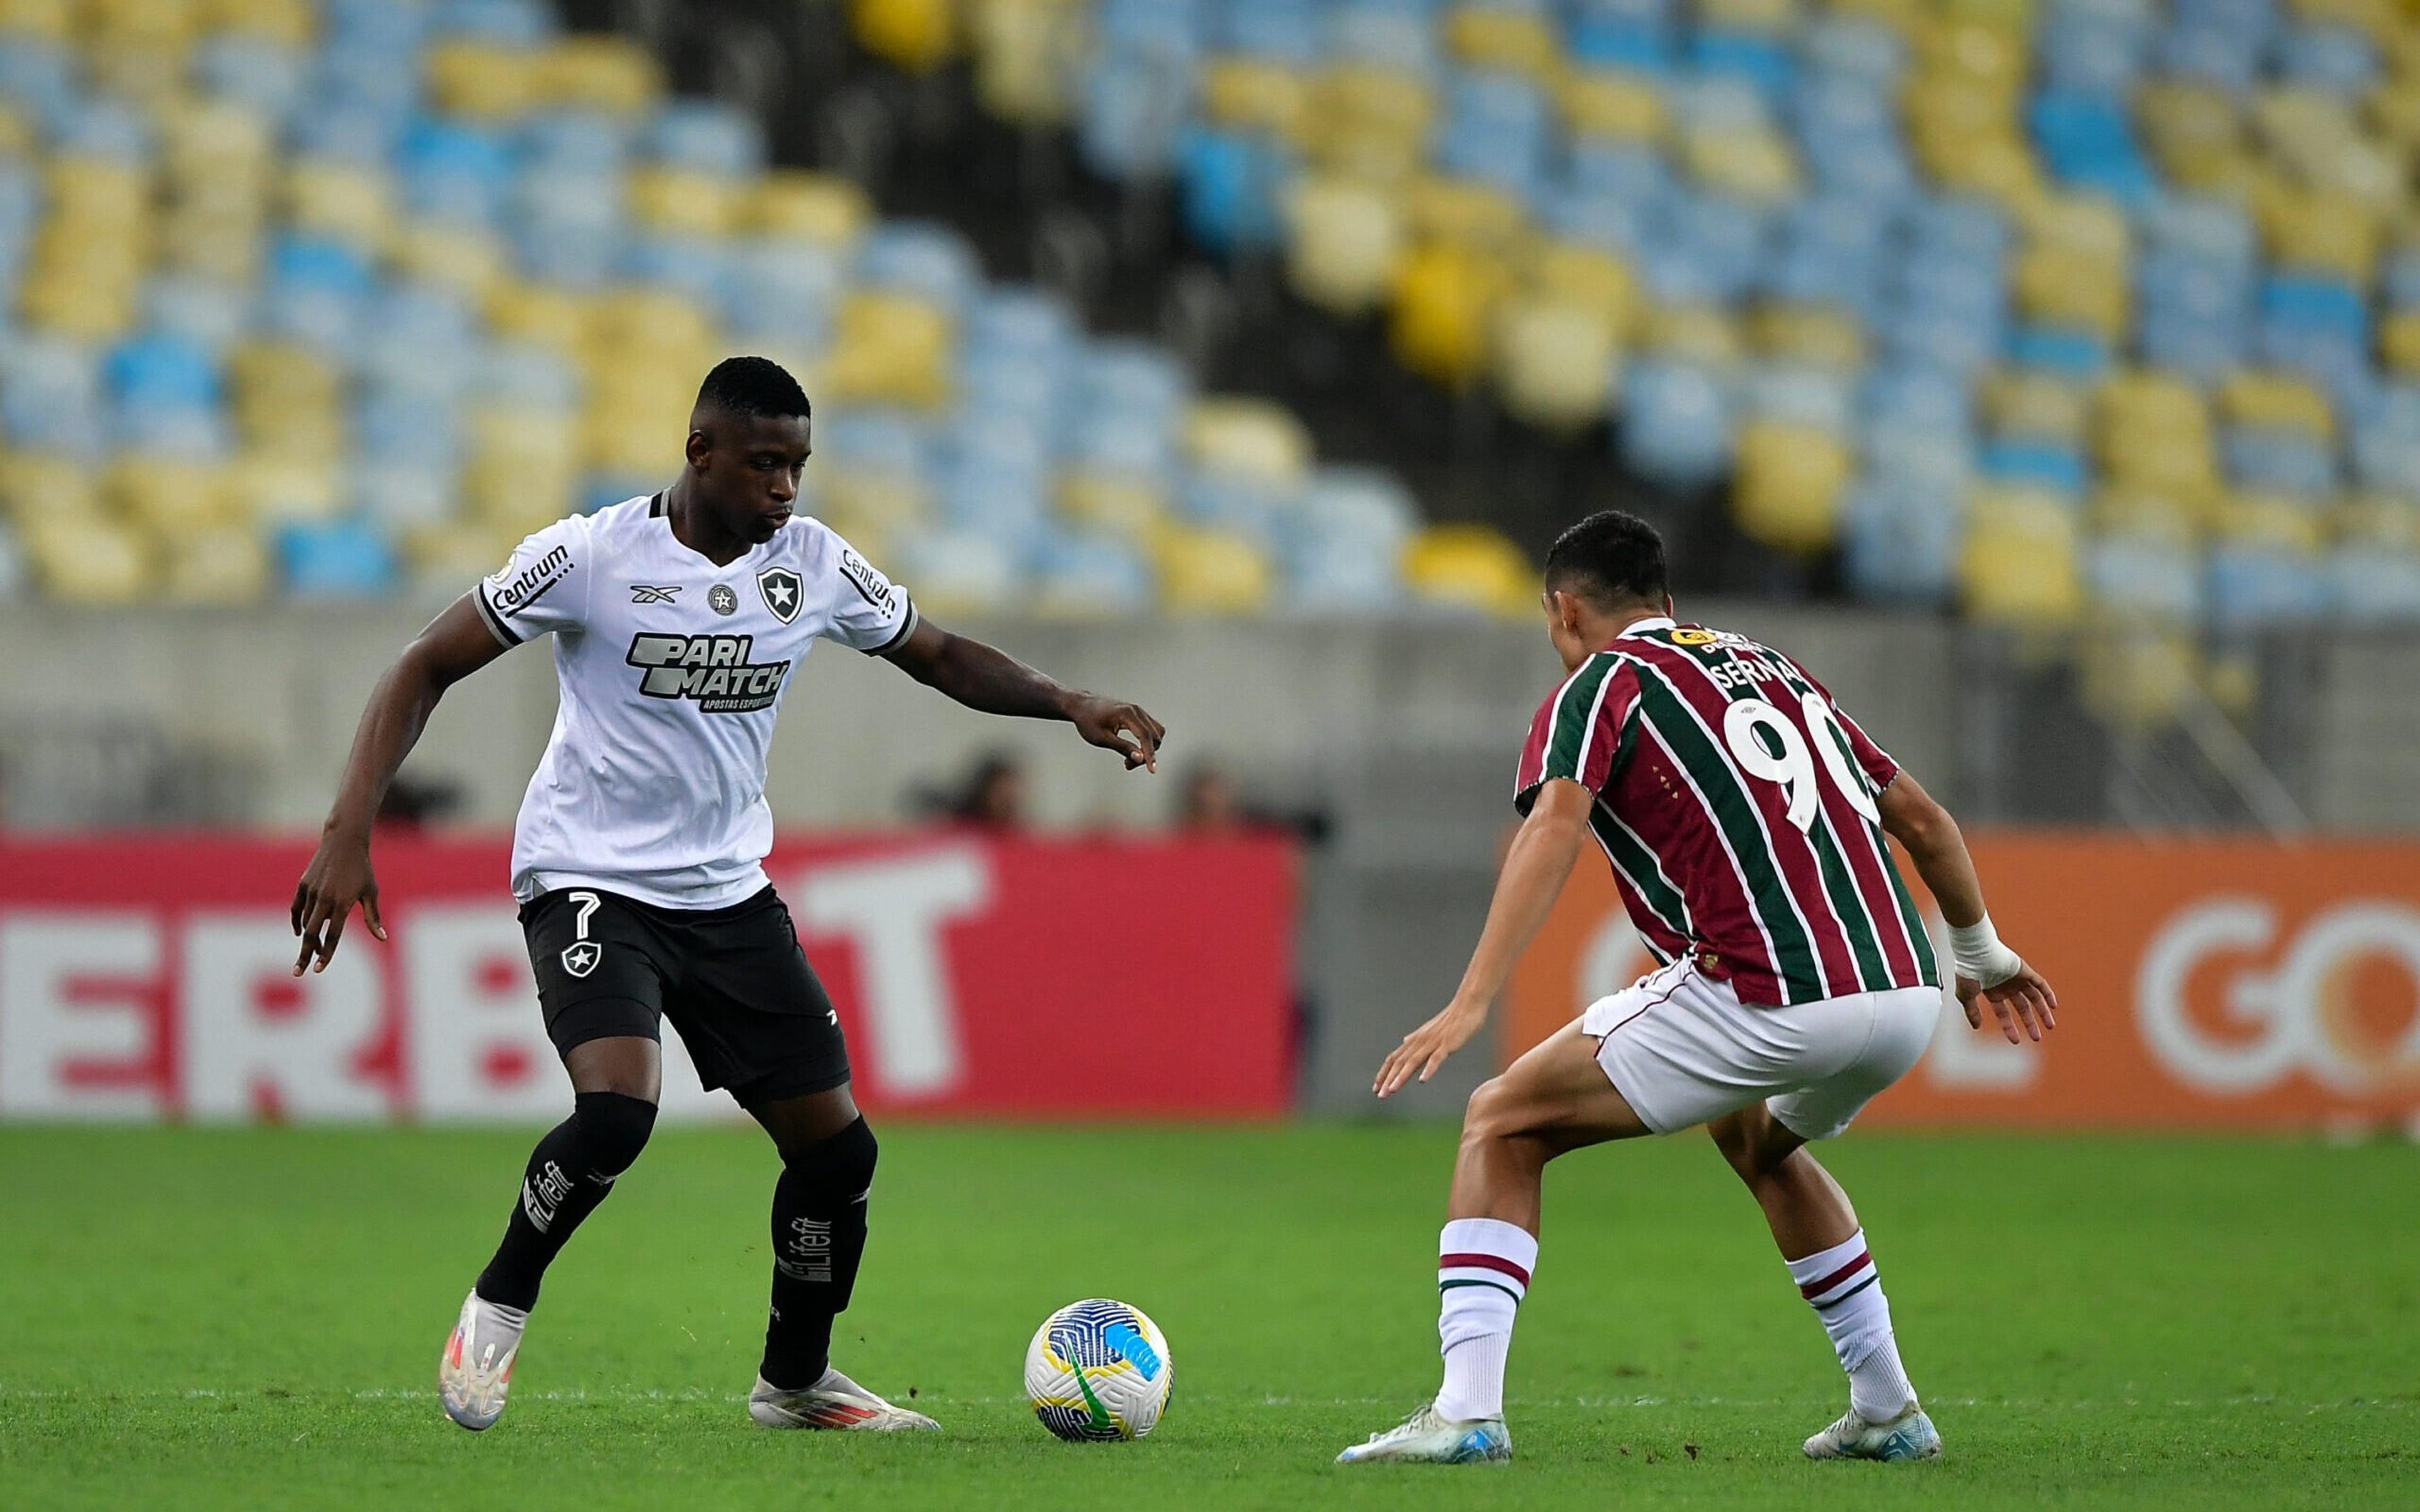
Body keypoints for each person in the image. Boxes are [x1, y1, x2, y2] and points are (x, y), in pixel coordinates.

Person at [289, 357, 1165, 1435]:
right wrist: (348, 829)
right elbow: (424, 663)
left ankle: (794, 1382)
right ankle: (498, 1305)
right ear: (700, 453)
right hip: (588, 875)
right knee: (616, 1110)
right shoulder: (592, 556)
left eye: (797, 466)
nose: (786, 489)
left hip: (726, 891)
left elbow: (937, 655)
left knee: (839, 1154)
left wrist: (1067, 699)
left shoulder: (813, 564)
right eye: (763, 465)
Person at [1337, 510, 2056, 1467]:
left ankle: (1466, 1413)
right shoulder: (1776, 668)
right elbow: (1922, 819)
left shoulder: (1604, 683)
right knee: (1757, 1139)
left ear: (1563, 612)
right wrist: (1984, 950)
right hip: (1905, 994)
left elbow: (1553, 830)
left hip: (1770, 993)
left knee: (1501, 1120)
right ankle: (1888, 1410)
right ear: (1667, 602)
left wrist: (1472, 1001)